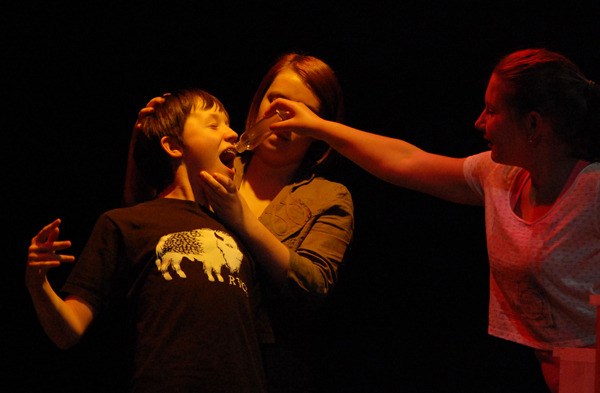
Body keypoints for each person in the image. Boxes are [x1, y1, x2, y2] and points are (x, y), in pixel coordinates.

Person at [265, 48, 600, 393]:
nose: (479, 122)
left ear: (532, 124)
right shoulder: (500, 177)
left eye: (492, 110)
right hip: (555, 367)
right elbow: (407, 162)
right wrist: (320, 128)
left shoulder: (592, 191)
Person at [123, 53, 355, 392]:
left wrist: (242, 219)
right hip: (180, 349)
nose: (279, 115)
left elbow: (314, 285)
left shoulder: (328, 196)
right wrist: (142, 144)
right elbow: (144, 221)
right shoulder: (218, 160)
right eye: (275, 100)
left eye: (303, 110)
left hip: (269, 364)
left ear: (321, 127)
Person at [26, 89, 269, 393]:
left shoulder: (237, 233)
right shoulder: (126, 223)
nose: (233, 133)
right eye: (213, 124)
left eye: (229, 124)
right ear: (172, 146)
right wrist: (39, 285)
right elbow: (68, 330)